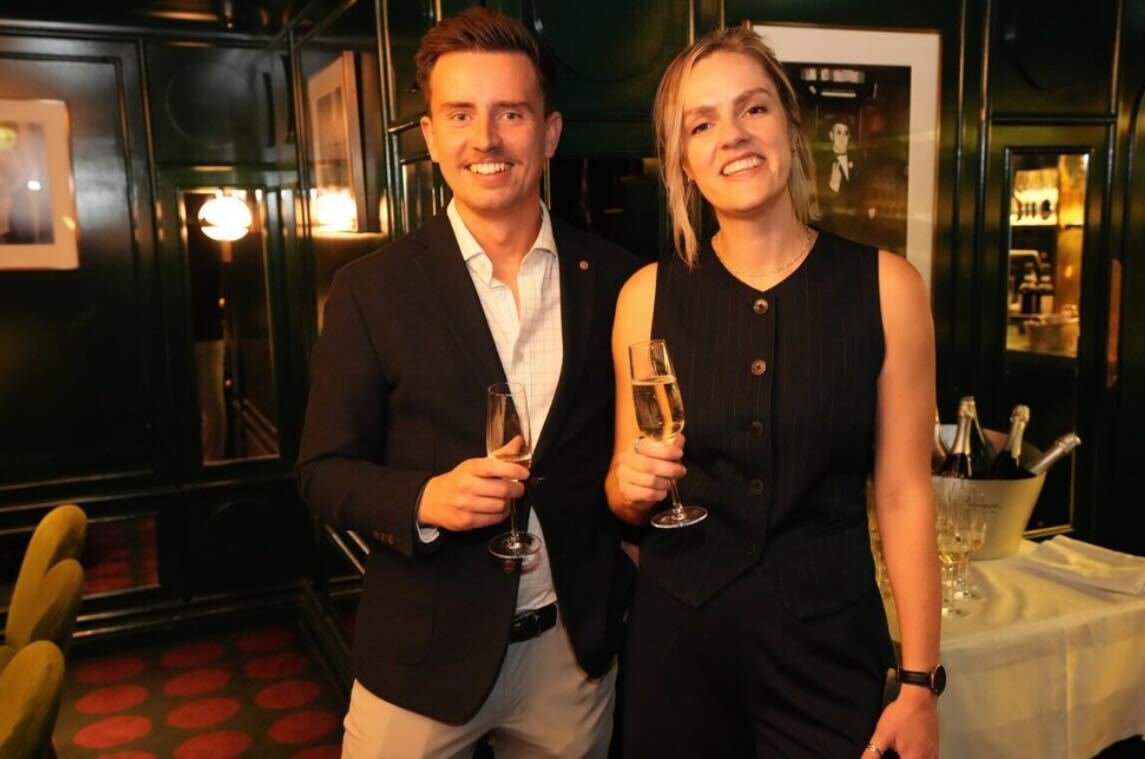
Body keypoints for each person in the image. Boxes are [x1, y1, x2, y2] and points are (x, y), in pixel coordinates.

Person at [296, 8, 637, 757]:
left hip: (572, 657)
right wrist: (422, 499)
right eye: (460, 114)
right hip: (420, 658)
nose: (485, 139)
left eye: (510, 113)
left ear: (548, 133)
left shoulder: (617, 281)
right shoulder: (369, 289)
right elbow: (321, 473)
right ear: (430, 136)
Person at [606, 26, 941, 759]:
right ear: (683, 164)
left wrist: (917, 682)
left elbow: (904, 494)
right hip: (679, 651)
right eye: (701, 124)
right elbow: (621, 485)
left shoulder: (886, 288)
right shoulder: (644, 296)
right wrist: (628, 486)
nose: (731, 136)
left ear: (790, 127)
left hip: (828, 648)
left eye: (752, 109)